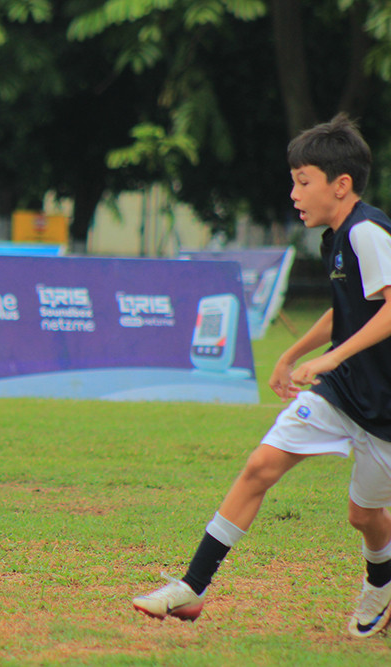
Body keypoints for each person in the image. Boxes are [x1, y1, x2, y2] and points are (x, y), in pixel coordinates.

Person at [132, 114, 391, 638]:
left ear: (341, 186)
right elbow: (346, 312)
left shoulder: (366, 230)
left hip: (384, 407)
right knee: (260, 465)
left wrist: (331, 358)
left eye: (303, 181)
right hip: (341, 394)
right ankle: (192, 586)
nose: (294, 193)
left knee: (364, 517)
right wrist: (293, 353)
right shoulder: (334, 238)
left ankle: (381, 584)